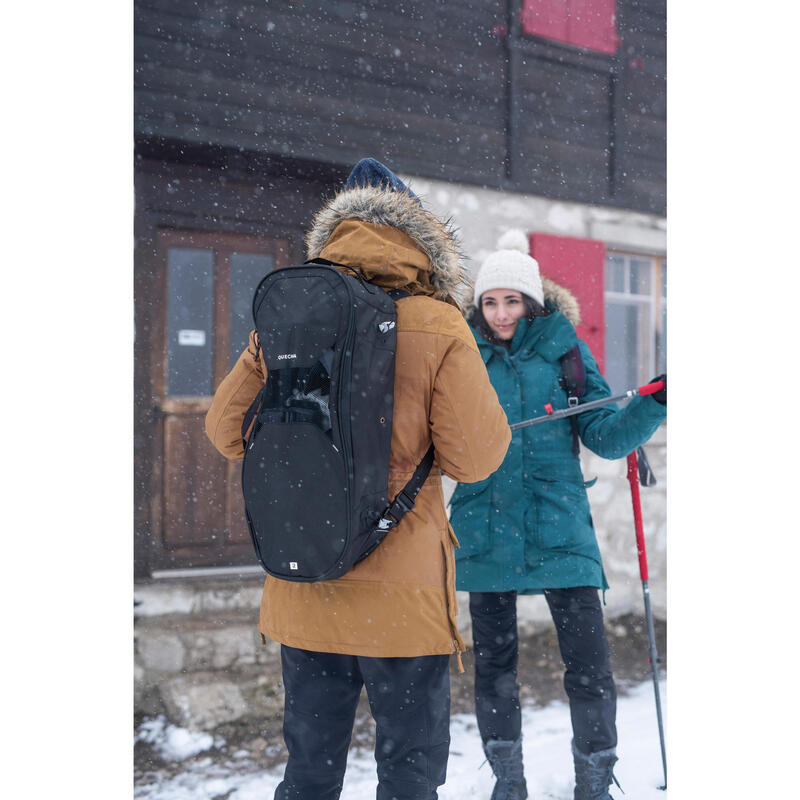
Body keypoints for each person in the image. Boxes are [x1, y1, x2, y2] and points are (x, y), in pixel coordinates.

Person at [205, 158, 511, 800]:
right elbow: (476, 458)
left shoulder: (292, 313)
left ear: (336, 230)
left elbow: (225, 432)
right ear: (420, 233)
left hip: (306, 583)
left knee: (310, 776)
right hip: (403, 604)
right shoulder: (438, 320)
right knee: (408, 776)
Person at [448, 230, 667, 800]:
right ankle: (508, 782)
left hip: (557, 521)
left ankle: (594, 781)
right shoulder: (462, 353)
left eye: (511, 300)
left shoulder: (565, 348)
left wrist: (654, 404)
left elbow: (605, 434)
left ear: (532, 302)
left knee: (589, 665)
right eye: (489, 301)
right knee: (494, 667)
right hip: (485, 521)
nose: (499, 313)